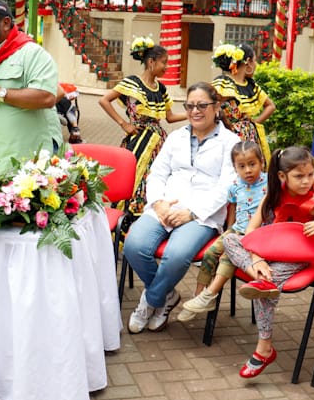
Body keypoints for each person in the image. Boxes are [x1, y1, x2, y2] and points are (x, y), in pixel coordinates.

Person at [122, 82, 239, 334]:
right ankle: (167, 296)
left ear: (216, 107)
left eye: (202, 105)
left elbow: (227, 186)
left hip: (201, 214)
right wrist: (158, 203)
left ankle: (150, 300)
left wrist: (192, 213)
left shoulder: (231, 142)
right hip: (166, 205)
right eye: (190, 106)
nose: (195, 111)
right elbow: (157, 174)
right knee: (133, 246)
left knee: (176, 255)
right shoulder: (176, 137)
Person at [224, 145, 314, 379]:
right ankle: (260, 277)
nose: (306, 181)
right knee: (229, 240)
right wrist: (257, 259)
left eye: (310, 175)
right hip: (267, 251)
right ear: (282, 176)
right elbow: (251, 231)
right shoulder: (272, 196)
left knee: (264, 291)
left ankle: (264, 348)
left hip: (297, 258)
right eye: (299, 176)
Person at [0, 0, 62, 175]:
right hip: (0, 164)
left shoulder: (31, 54)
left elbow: (47, 97)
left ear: (6, 23)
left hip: (36, 165)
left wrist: (0, 93)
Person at [99, 39, 187, 229]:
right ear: (151, 62)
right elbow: (104, 100)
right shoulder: (132, 83)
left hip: (158, 143)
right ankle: (124, 224)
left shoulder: (161, 88)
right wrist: (124, 124)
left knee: (154, 179)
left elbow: (170, 117)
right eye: (164, 62)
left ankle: (147, 221)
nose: (166, 67)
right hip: (138, 141)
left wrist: (194, 113)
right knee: (133, 179)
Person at [177, 141, 268, 322]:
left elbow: (292, 182)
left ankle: (207, 297)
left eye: (252, 164)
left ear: (262, 162)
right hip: (236, 229)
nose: (248, 170)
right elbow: (232, 207)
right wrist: (228, 230)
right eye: (242, 166)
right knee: (210, 253)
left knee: (228, 255)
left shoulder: (269, 182)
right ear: (235, 168)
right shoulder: (235, 185)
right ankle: (199, 295)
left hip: (257, 234)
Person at [211, 43, 275, 162]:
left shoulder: (250, 85)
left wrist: (254, 123)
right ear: (248, 62)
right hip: (228, 136)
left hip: (250, 135)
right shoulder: (223, 83)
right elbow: (212, 108)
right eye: (254, 61)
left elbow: (271, 106)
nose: (256, 65)